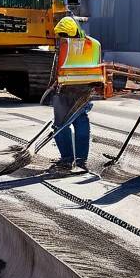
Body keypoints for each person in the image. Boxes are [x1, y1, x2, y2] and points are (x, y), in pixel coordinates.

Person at [44, 16, 103, 173]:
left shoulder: (65, 46)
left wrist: (50, 88)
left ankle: (67, 160)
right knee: (81, 122)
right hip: (85, 91)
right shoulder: (94, 44)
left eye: (62, 36)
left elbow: (57, 70)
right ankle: (81, 161)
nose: (61, 39)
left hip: (65, 92)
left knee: (60, 126)